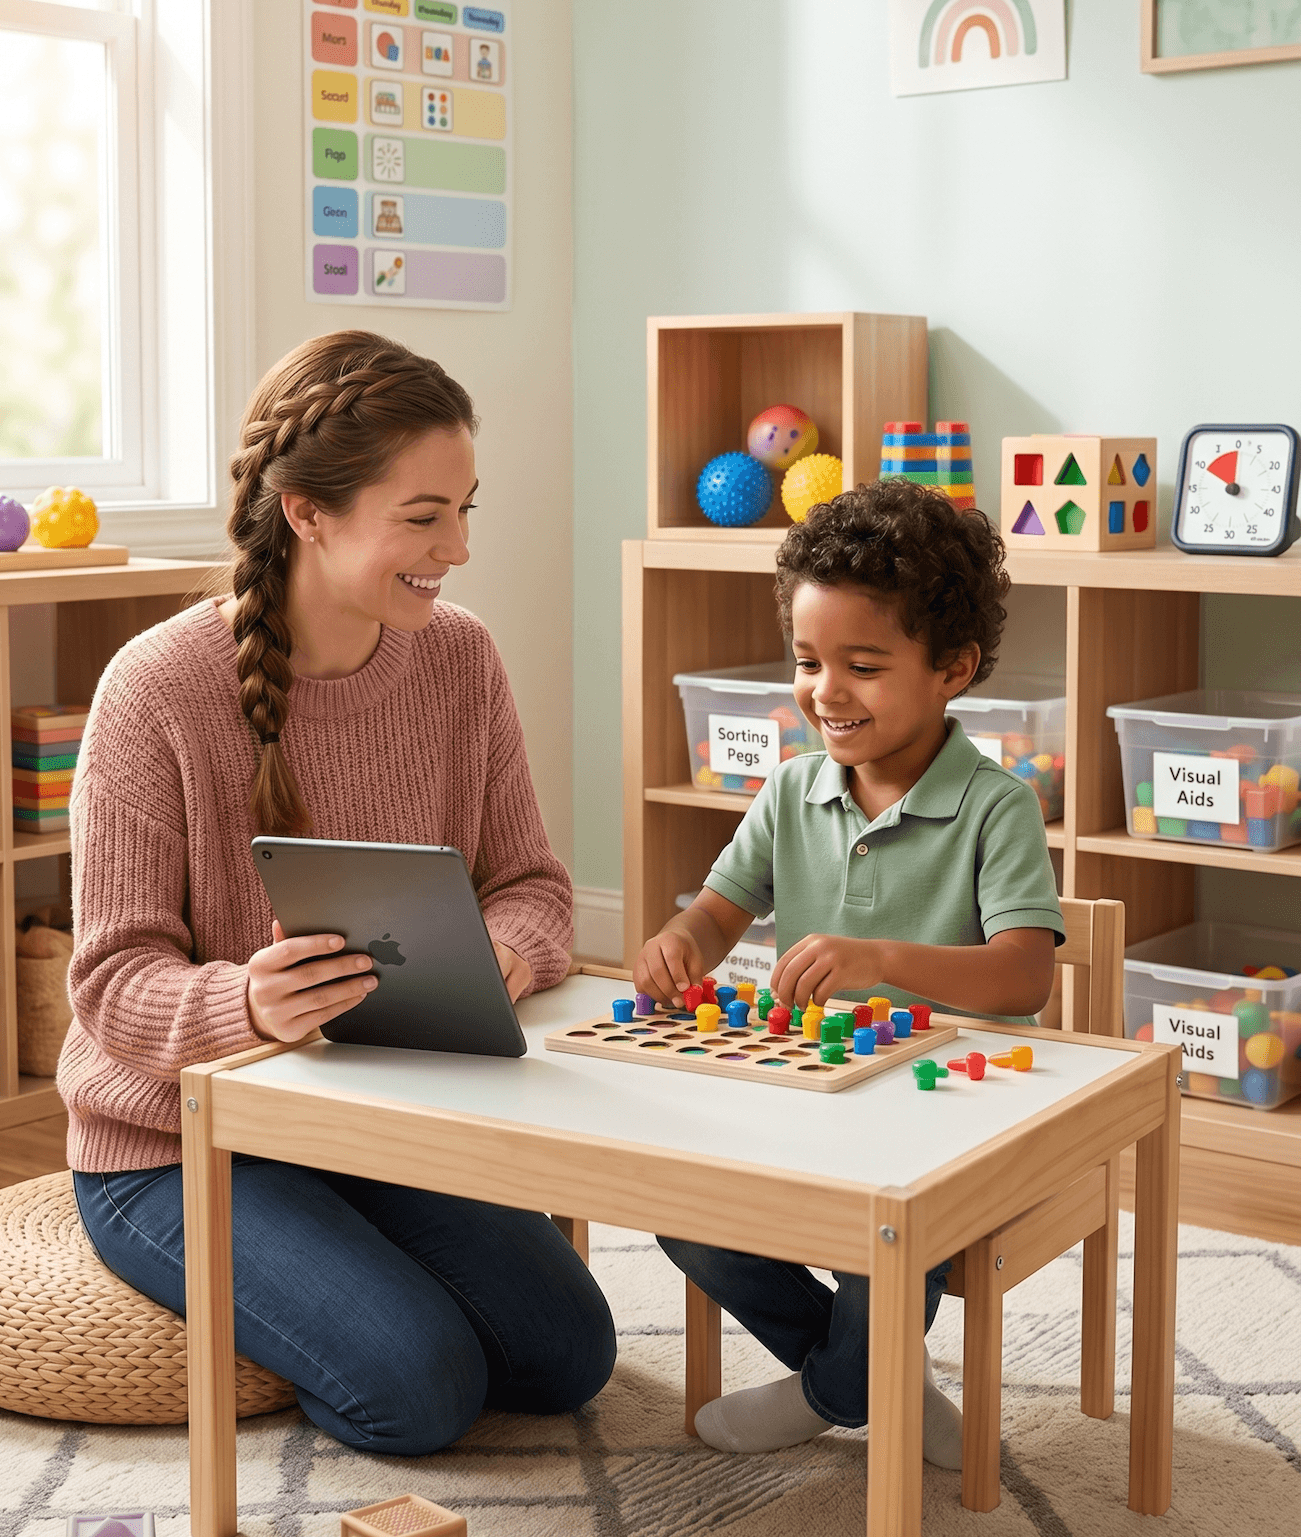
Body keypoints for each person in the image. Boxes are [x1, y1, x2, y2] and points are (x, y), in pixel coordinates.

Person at [61, 329, 616, 1455]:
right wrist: (249, 1006)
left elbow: (535, 886)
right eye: (422, 517)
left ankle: (345, 1259)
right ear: (308, 511)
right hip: (174, 1142)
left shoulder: (460, 659)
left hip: (385, 1116)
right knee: (421, 1393)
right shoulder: (156, 689)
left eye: (466, 509)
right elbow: (111, 984)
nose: (456, 546)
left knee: (569, 1355)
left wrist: (500, 953)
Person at [633, 478, 1063, 1467]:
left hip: (941, 1104)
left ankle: (831, 1394)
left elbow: (1022, 976)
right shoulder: (790, 789)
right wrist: (682, 942)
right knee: (681, 1211)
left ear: (951, 668)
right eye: (808, 660)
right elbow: (716, 907)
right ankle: (881, 1385)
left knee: (889, 1240)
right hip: (807, 1085)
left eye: (863, 665)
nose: (826, 689)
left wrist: (875, 959)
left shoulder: (997, 806)